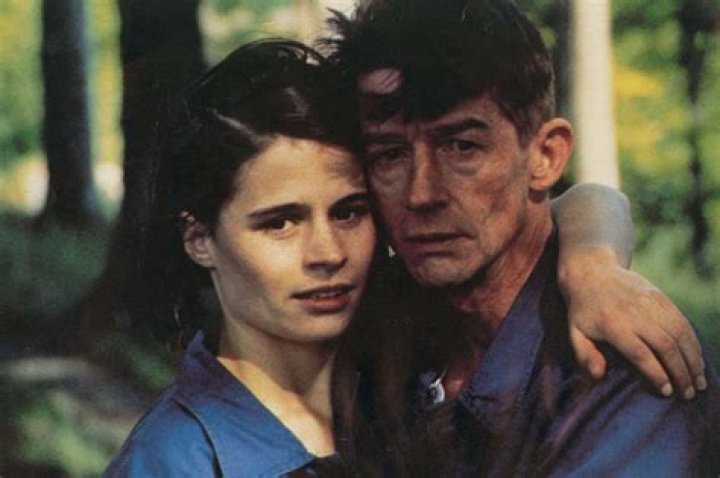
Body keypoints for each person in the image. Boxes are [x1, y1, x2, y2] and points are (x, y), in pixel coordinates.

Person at [106, 36, 704, 477]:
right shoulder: (172, 461)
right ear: (199, 239)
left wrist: (592, 263)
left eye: (349, 211)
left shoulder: (398, 356)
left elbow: (575, 201)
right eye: (280, 222)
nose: (327, 254)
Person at [327, 0, 720, 475]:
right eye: (389, 155)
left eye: (462, 147)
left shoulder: (621, 363)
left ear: (546, 157)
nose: (420, 193)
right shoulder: (374, 332)